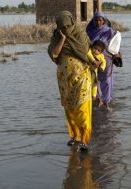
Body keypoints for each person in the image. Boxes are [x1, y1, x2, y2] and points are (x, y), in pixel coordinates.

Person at [48, 11, 96, 152]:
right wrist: (62, 39)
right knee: (70, 109)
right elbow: (55, 54)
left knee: (82, 108)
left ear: (72, 23)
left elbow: (85, 52)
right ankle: (75, 136)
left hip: (81, 77)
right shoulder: (56, 37)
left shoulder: (80, 35)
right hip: (65, 81)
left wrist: (96, 62)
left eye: (68, 26)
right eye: (62, 28)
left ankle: (85, 140)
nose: (65, 29)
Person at [86, 12, 120, 111]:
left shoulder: (109, 32)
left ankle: (106, 102)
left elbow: (115, 45)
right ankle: (97, 100)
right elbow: (86, 46)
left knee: (106, 81)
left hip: (107, 60)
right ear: (93, 21)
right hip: (92, 61)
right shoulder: (89, 31)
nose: (98, 22)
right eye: (96, 20)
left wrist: (117, 55)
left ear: (104, 21)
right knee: (94, 80)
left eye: (100, 20)